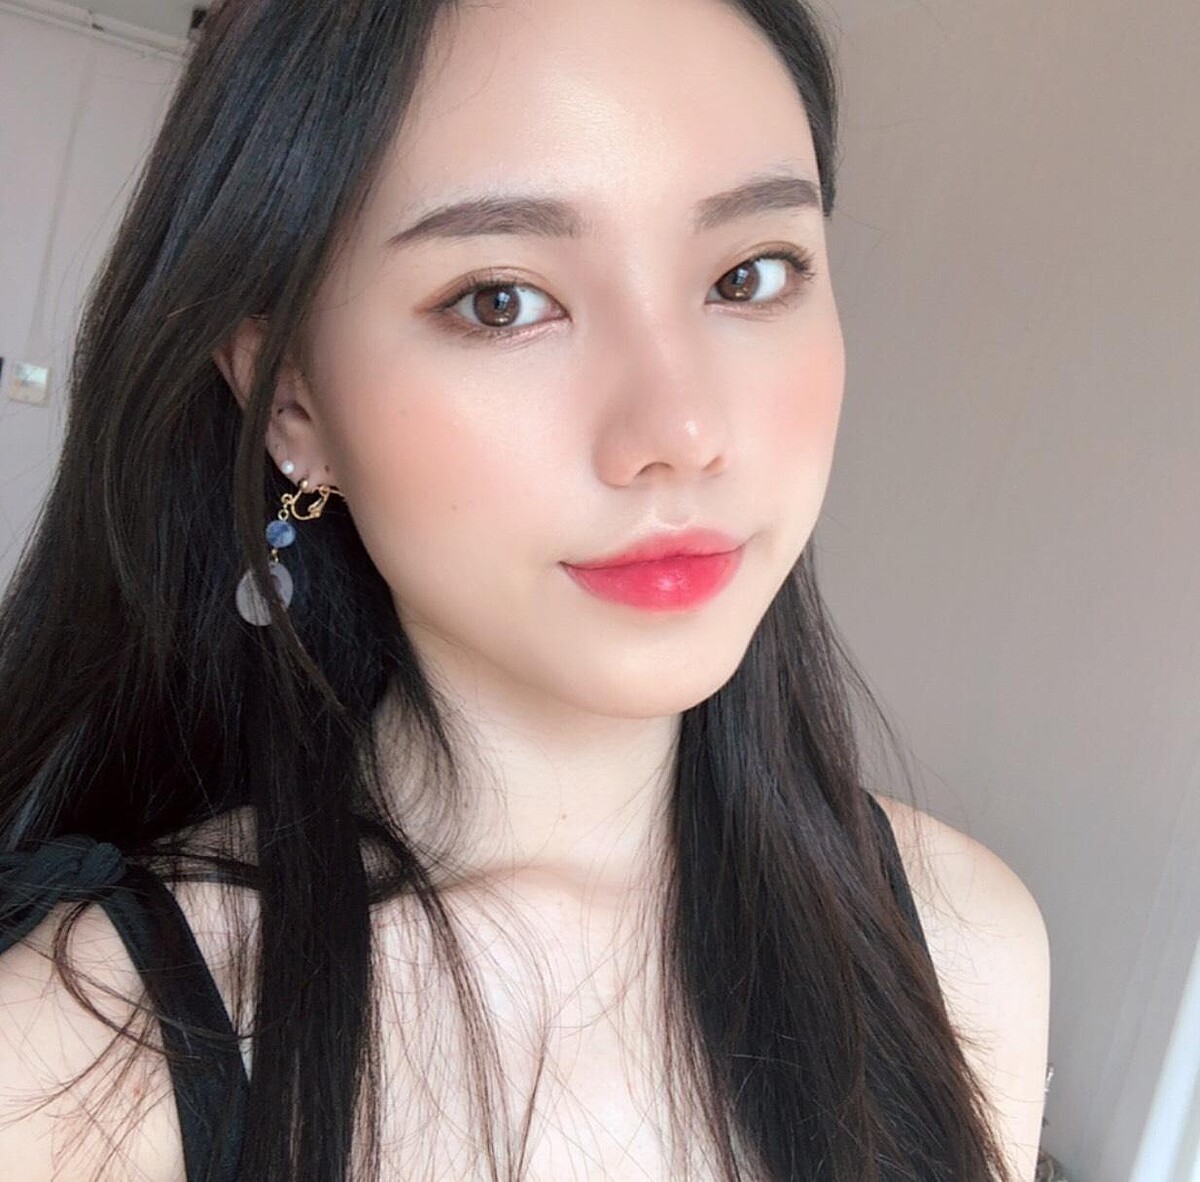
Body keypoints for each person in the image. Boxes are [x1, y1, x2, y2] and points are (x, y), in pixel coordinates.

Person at [0, 0, 1051, 1178]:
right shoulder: (77, 1065)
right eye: (500, 300)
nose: (679, 431)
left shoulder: (966, 945)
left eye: (749, 275)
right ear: (292, 401)